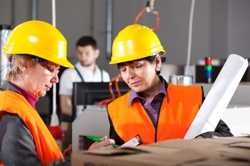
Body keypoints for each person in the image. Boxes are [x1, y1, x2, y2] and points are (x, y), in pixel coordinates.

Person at [107, 24, 233, 145]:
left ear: (157, 62)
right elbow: (118, 152)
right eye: (123, 69)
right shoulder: (116, 110)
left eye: (137, 66)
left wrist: (204, 140)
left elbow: (226, 137)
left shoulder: (192, 98)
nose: (129, 75)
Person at [0, 20, 73, 166]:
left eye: (58, 71)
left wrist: (76, 157)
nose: (56, 79)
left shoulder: (22, 106)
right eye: (51, 69)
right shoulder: (12, 113)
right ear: (23, 63)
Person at [59, 36, 110, 149]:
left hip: (100, 126)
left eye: (87, 53)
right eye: (80, 53)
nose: (83, 57)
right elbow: (65, 106)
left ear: (96, 53)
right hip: (77, 126)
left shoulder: (104, 75)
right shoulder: (69, 74)